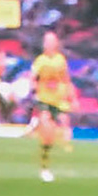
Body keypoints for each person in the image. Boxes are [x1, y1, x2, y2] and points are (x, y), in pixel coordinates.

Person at [29, 30, 75, 184]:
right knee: (47, 134)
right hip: (44, 100)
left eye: (52, 41)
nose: (49, 44)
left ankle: (58, 139)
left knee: (53, 135)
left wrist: (72, 97)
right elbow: (32, 78)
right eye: (47, 41)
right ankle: (44, 166)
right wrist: (34, 89)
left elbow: (66, 79)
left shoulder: (61, 60)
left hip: (58, 101)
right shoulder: (40, 61)